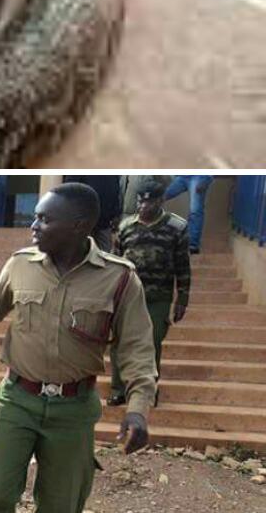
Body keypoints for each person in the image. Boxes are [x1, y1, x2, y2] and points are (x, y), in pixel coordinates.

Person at [0, 182, 157, 513]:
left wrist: (137, 411)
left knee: (60, 512)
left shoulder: (119, 279)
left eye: (44, 219)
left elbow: (137, 349)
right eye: (35, 217)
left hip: (73, 410)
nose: (33, 225)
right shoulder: (21, 264)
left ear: (79, 225)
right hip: (17, 400)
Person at [109, 178, 190, 408]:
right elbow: (115, 263)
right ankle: (118, 389)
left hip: (158, 297)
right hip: (126, 296)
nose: (144, 206)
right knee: (119, 342)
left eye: (150, 201)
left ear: (161, 201)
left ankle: (146, 391)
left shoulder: (176, 227)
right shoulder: (126, 227)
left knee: (151, 343)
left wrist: (182, 298)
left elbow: (182, 264)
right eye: (140, 201)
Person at [63, 175, 123, 252]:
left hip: (104, 221)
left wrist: (115, 213)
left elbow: (115, 190)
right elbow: (69, 190)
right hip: (83, 221)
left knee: (105, 255)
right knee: (82, 252)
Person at [163, 175, 214, 254]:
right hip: (181, 175)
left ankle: (193, 246)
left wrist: (208, 178)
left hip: (199, 176)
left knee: (195, 210)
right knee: (157, 196)